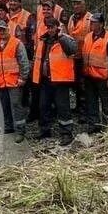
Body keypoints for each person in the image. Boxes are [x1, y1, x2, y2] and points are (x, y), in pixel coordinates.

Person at [31, 10, 78, 144]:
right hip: (46, 80)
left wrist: (62, 36)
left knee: (63, 108)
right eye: (48, 27)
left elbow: (72, 50)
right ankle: (45, 130)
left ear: (57, 27)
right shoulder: (43, 40)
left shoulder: (65, 39)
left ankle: (66, 133)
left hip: (60, 80)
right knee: (43, 106)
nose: (50, 29)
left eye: (52, 27)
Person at [0, 17, 30, 138]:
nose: (1, 32)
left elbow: (24, 62)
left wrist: (23, 78)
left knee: (16, 105)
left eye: (3, 30)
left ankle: (20, 131)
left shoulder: (17, 43)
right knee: (3, 105)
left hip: (14, 82)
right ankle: (8, 127)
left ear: (8, 30)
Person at [81, 10, 108, 132]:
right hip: (89, 76)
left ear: (101, 24)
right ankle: (94, 125)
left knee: (106, 103)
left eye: (94, 22)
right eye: (91, 22)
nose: (91, 24)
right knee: (91, 102)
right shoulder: (88, 37)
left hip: (103, 78)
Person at [67, 0, 93, 117]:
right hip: (74, 57)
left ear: (84, 4)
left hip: (85, 57)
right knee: (76, 84)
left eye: (79, 3)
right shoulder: (72, 18)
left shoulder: (90, 18)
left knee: (84, 85)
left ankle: (84, 111)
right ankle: (78, 107)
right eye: (74, 3)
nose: (76, 6)